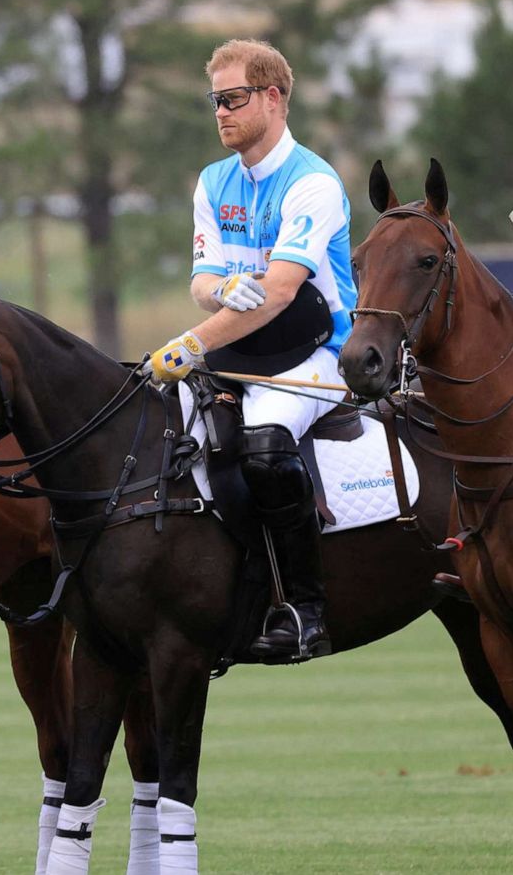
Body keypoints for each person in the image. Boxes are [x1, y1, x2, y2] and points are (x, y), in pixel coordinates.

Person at [142, 39, 356, 662]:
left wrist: (186, 343)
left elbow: (284, 293)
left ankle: (306, 611)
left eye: (233, 100)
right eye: (215, 101)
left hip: (318, 349)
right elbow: (201, 282)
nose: (221, 113)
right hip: (242, 350)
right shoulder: (213, 181)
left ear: (273, 98)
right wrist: (220, 291)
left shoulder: (312, 182)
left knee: (263, 449)